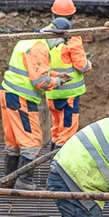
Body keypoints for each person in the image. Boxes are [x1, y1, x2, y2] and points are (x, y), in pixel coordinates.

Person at [0, 18, 73, 190]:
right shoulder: (40, 47)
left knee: (14, 141)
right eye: (61, 41)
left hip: (10, 93)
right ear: (57, 35)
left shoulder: (29, 39)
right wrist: (58, 82)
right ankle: (24, 181)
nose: (58, 46)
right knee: (32, 141)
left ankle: (9, 179)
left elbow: (31, 69)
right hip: (21, 98)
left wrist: (55, 74)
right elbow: (40, 81)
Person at [45, 19, 92, 149]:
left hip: (52, 94)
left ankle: (52, 158)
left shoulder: (47, 44)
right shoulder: (71, 43)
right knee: (67, 130)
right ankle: (60, 164)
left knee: (56, 128)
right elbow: (82, 66)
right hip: (69, 96)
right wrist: (88, 63)